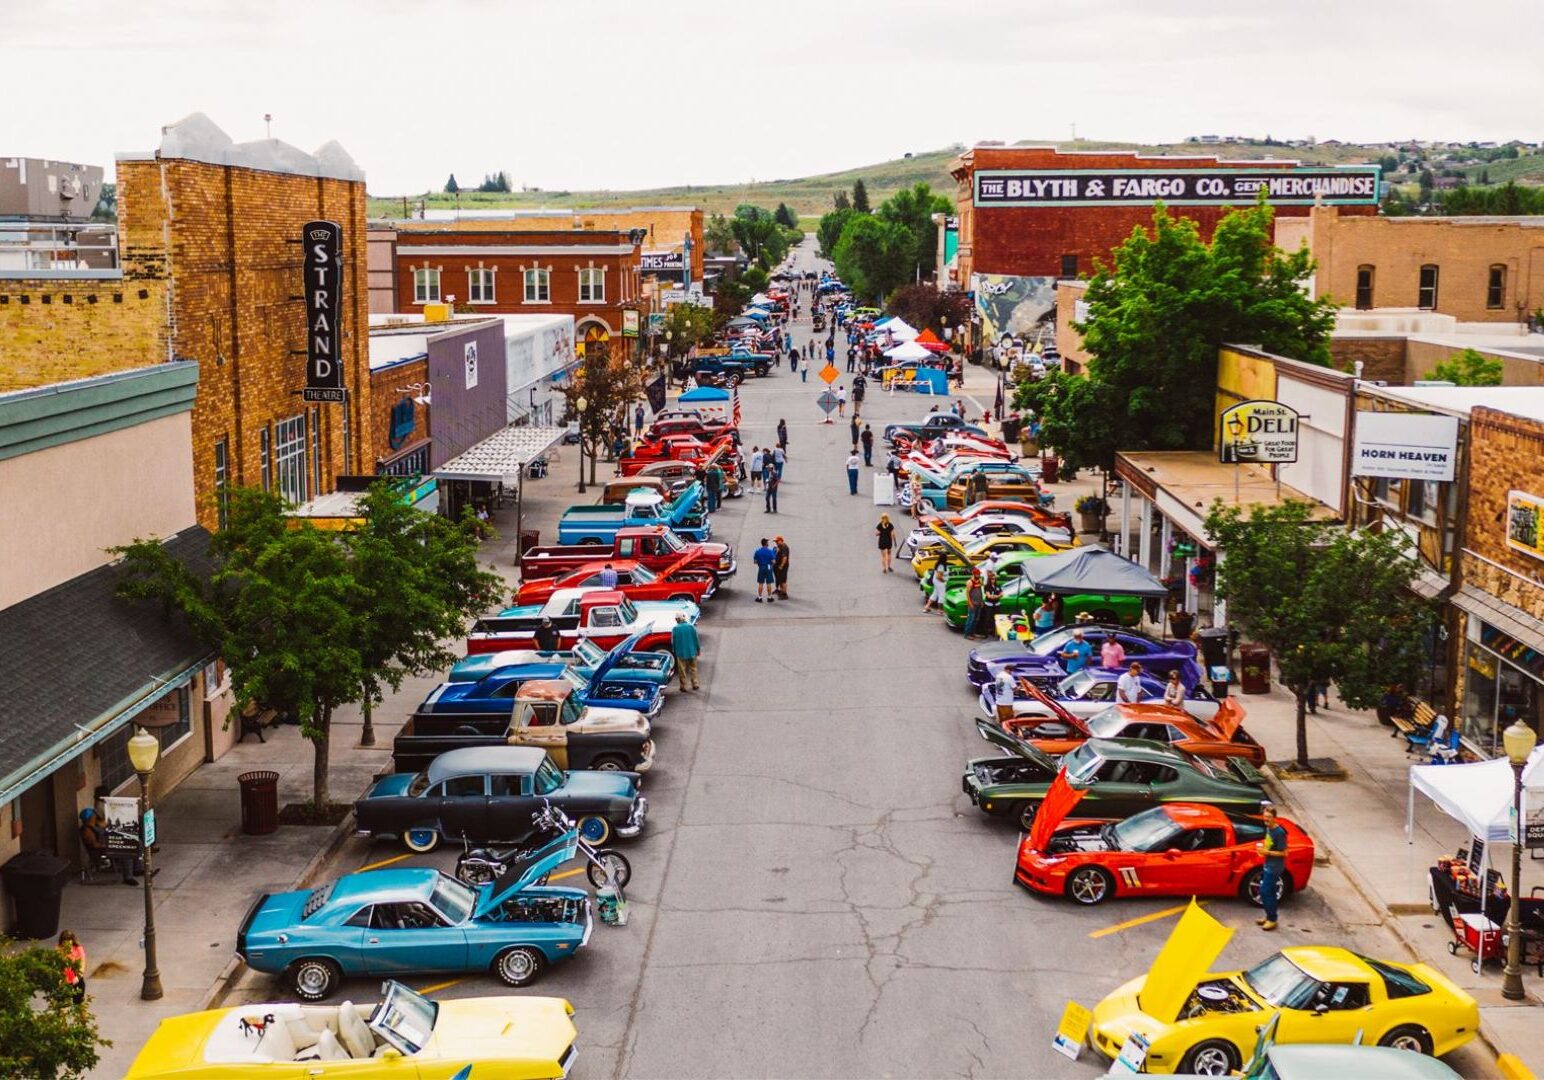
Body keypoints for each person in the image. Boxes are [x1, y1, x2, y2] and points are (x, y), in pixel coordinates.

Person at [79, 808, 137, 885]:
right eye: (94, 814)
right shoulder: (87, 831)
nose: (95, 815)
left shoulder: (96, 824)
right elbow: (95, 845)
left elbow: (106, 825)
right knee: (126, 851)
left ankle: (137, 869)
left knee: (134, 842)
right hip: (101, 851)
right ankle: (128, 877)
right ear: (91, 817)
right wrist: (110, 845)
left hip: (109, 844)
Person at [1256, 803, 1288, 931]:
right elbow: (1269, 844)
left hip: (1274, 867)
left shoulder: (1279, 832)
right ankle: (1269, 916)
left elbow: (1285, 853)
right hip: (1268, 863)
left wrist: (1267, 853)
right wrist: (1263, 849)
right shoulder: (1268, 828)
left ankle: (1272, 919)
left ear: (1274, 817)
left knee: (1264, 891)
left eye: (1269, 817)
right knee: (1270, 892)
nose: (1266, 819)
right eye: (1265, 816)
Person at [671, 613, 701, 691]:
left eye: (676, 619)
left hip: (681, 653)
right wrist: (698, 649)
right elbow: (696, 639)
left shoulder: (675, 629)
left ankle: (683, 686)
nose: (676, 620)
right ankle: (695, 684)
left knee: (682, 670)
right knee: (693, 668)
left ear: (678, 619)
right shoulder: (691, 627)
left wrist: (674, 650)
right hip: (692, 651)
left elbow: (673, 642)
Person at [59, 931, 86, 1004]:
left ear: (72, 940)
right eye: (64, 941)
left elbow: (82, 966)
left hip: (77, 980)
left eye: (69, 940)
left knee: (79, 1007)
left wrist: (77, 977)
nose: (67, 943)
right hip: (64, 981)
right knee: (62, 1006)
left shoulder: (78, 949)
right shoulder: (59, 950)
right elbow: (57, 965)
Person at [963, 570, 988, 639]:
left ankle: (972, 633)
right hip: (973, 604)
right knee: (970, 619)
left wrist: (982, 601)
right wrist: (970, 603)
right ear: (974, 574)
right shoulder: (970, 582)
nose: (979, 575)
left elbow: (981, 591)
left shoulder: (980, 581)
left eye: (979, 574)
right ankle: (967, 634)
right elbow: (967, 593)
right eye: (977, 574)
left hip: (979, 603)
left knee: (976, 619)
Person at [753, 538, 777, 602]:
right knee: (768, 583)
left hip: (761, 567)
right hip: (768, 567)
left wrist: (760, 562)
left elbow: (755, 562)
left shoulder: (757, 551)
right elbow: (774, 561)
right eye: (767, 542)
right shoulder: (770, 551)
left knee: (760, 583)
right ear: (766, 544)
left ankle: (759, 597)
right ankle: (769, 597)